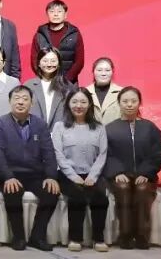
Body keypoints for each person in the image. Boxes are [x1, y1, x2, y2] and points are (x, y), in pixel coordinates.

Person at [0, 85, 60, 251]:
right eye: (16, 98)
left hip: (35, 174)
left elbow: (49, 153)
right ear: (10, 102)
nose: (20, 102)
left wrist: (51, 176)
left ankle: (37, 236)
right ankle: (19, 237)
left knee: (52, 192)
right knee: (12, 191)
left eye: (25, 99)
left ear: (32, 103)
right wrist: (8, 176)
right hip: (10, 173)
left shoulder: (40, 124)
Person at [104, 86, 161, 250]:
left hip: (144, 175)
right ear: (119, 103)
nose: (129, 104)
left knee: (142, 188)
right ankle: (125, 235)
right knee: (123, 187)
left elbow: (157, 153)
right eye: (125, 101)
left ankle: (141, 236)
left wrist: (146, 173)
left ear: (140, 103)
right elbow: (106, 154)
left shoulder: (150, 128)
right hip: (119, 176)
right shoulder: (110, 128)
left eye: (133, 101)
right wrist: (117, 172)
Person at [51, 88, 109, 252]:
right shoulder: (60, 127)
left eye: (83, 102)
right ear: (68, 104)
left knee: (101, 198)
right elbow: (58, 154)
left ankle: (98, 239)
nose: (79, 105)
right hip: (67, 174)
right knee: (77, 196)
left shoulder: (99, 128)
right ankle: (75, 238)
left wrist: (93, 176)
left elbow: (102, 155)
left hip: (92, 174)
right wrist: (73, 176)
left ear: (89, 104)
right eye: (75, 101)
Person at [31, 0, 84, 85]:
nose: (55, 14)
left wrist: (65, 80)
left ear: (65, 14)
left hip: (69, 83)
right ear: (47, 14)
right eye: (52, 11)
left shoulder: (74, 34)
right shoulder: (39, 35)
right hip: (45, 82)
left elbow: (79, 62)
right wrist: (45, 78)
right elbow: (34, 61)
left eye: (59, 11)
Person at [26, 47, 75, 128]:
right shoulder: (28, 86)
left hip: (59, 133)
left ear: (59, 64)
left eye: (53, 61)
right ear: (39, 63)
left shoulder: (68, 87)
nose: (49, 64)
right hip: (34, 133)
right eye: (45, 61)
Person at [88, 57, 123, 124]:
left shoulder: (122, 93)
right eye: (99, 70)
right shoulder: (85, 93)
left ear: (112, 72)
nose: (103, 73)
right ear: (93, 72)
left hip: (115, 130)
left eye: (107, 70)